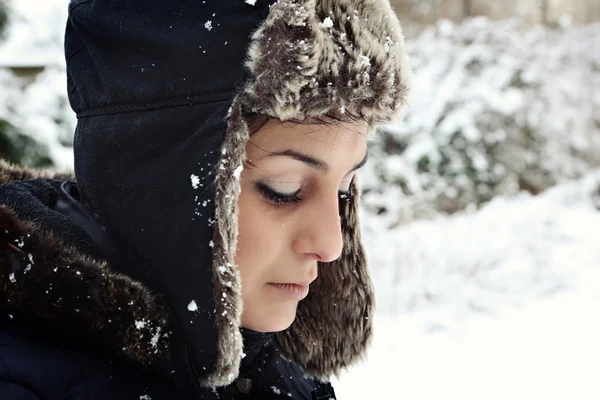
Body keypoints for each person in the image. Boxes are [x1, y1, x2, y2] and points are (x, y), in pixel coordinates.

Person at [0, 0, 411, 398]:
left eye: (344, 190)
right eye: (283, 190)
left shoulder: (273, 370)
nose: (331, 245)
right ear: (157, 180)